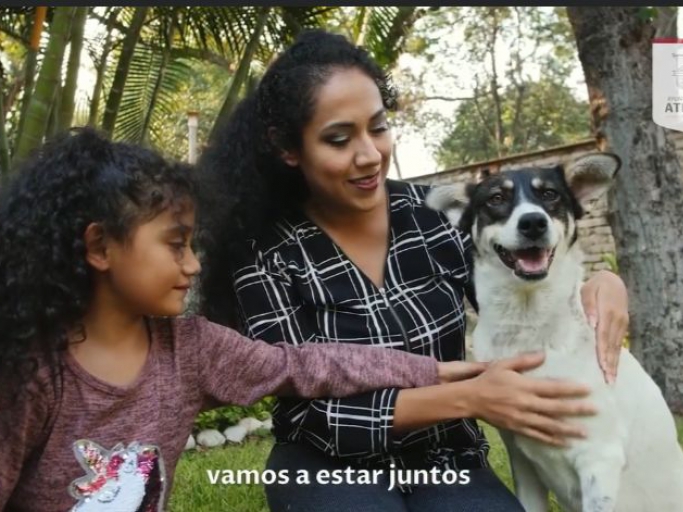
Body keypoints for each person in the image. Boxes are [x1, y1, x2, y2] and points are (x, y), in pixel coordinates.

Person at [197, 29, 630, 512]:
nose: (369, 155)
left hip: (445, 456)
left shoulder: (435, 215)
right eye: (339, 139)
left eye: (378, 127)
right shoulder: (265, 251)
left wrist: (604, 284)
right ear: (288, 148)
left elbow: (522, 278)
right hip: (324, 461)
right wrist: (469, 399)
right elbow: (309, 410)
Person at [0, 128, 482, 512]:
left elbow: (307, 366)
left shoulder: (192, 351)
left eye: (192, 245)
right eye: (175, 244)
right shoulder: (32, 374)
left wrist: (430, 370)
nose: (193, 264)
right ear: (100, 246)